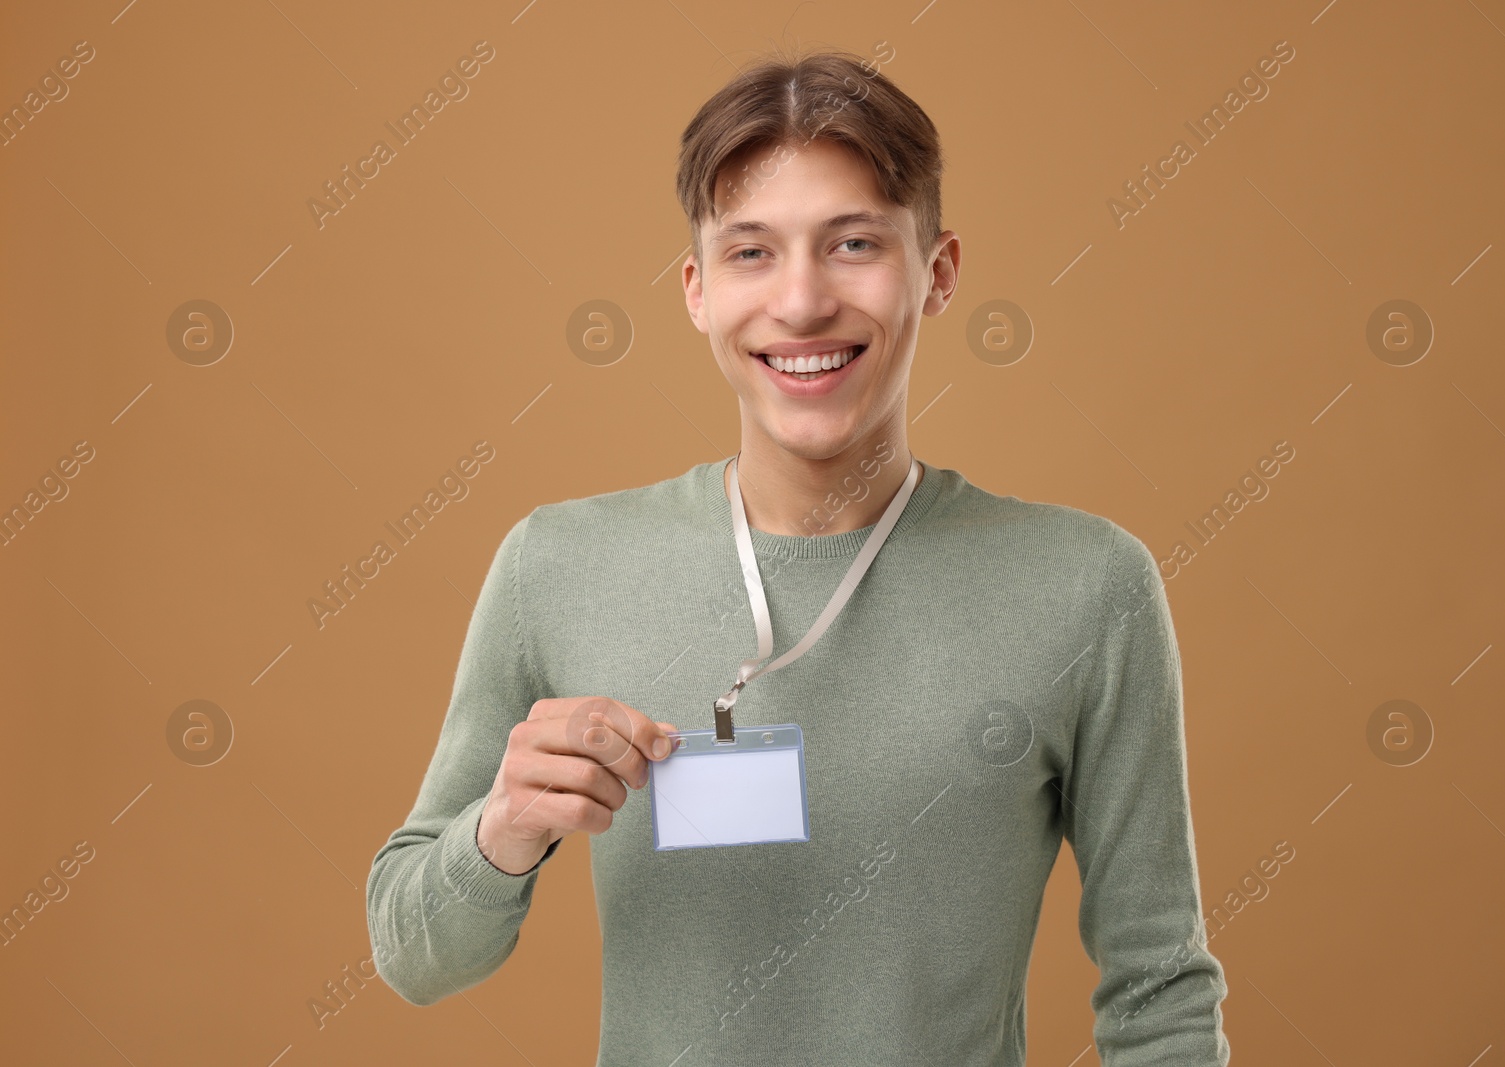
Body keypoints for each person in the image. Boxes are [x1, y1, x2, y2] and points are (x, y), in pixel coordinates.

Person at [366, 47, 1230, 1065]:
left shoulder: (1087, 587)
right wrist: (500, 827)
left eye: (853, 242)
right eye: (751, 252)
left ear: (938, 272)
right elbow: (412, 953)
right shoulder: (556, 564)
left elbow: (1159, 991)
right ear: (695, 290)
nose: (802, 301)